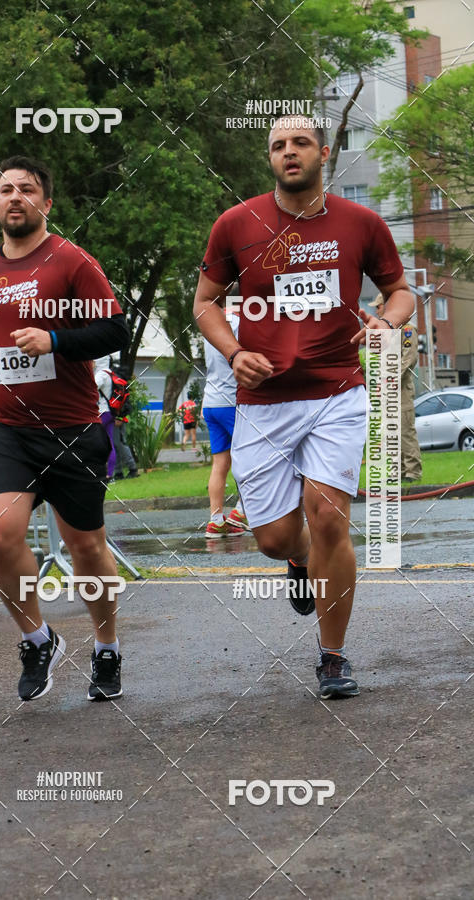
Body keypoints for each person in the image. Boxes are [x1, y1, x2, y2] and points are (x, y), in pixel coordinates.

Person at [194, 116, 415, 699]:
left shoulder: (360, 223)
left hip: (336, 393)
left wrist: (385, 323)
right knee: (273, 537)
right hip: (263, 404)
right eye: (276, 147)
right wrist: (235, 350)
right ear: (269, 159)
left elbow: (400, 291)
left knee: (328, 518)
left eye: (298, 144)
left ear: (322, 152)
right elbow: (205, 304)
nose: (288, 153)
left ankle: (333, 655)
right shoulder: (236, 225)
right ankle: (296, 564)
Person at [0, 156, 129, 702]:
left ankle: (106, 647)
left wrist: (55, 341)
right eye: (5, 189)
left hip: (70, 426)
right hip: (3, 424)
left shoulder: (71, 261)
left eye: (26, 189)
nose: (14, 197)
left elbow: (113, 329)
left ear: (46, 203)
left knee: (86, 547)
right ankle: (38, 638)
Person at [202, 308, 248, 537]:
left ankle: (216, 520)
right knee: (251, 457)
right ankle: (241, 512)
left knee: (220, 464)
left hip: (211, 401)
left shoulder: (210, 322)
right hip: (233, 401)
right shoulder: (241, 323)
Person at [369, 293, 422, 482]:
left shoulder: (407, 329)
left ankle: (413, 471)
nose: (376, 310)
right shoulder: (388, 332)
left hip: (401, 391)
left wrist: (390, 380)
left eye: (378, 306)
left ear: (387, 306)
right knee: (391, 432)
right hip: (387, 391)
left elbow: (409, 359)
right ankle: (397, 470)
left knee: (405, 430)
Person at [95, 358, 117, 481]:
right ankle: (110, 474)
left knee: (92, 440)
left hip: (102, 411)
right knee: (110, 442)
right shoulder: (110, 373)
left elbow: (90, 387)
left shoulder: (101, 374)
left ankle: (96, 471)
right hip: (110, 412)